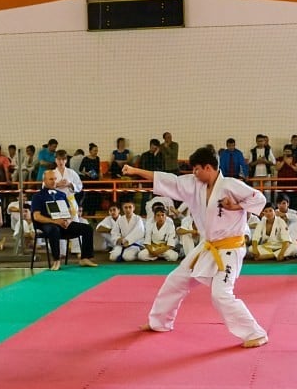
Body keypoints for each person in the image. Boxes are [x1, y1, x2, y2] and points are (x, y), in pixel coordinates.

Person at [122, 147, 268, 348]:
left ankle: (256, 333)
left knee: (221, 294)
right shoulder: (195, 184)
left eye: (197, 169)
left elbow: (259, 199)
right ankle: (160, 322)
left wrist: (236, 206)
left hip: (229, 249)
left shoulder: (231, 185)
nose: (194, 173)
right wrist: (137, 171)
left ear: (208, 167)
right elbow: (169, 180)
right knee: (175, 280)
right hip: (207, 247)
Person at [31, 170, 98, 271]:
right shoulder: (37, 196)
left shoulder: (61, 194)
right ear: (44, 180)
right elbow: (36, 216)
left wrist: (68, 220)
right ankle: (57, 260)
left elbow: (67, 212)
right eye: (50, 179)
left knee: (87, 228)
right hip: (47, 224)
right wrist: (55, 221)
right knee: (54, 230)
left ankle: (85, 258)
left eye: (55, 179)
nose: (53, 181)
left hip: (62, 223)